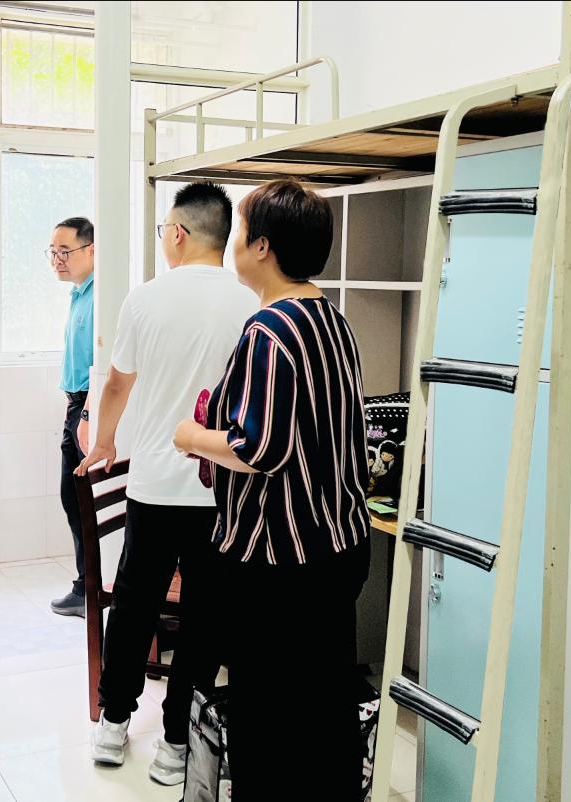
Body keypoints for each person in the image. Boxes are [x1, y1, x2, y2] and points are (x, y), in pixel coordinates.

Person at [174, 179, 372, 800]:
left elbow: (258, 449)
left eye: (240, 233)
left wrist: (191, 435)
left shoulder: (268, 329)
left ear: (262, 246)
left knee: (266, 714)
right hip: (339, 545)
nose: (234, 244)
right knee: (323, 706)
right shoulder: (332, 319)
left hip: (278, 561)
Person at [77, 182, 257, 785]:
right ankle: (178, 740)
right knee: (206, 616)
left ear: (177, 233)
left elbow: (116, 384)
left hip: (154, 485)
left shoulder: (145, 299)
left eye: (163, 231)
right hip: (221, 488)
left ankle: (113, 723)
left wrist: (104, 441)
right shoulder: (252, 302)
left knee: (134, 607)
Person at [47, 216, 95, 617]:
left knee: (82, 500)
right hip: (76, 406)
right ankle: (87, 585)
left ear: (91, 250)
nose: (57, 260)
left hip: (88, 407)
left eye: (65, 251)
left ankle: (90, 589)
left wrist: (88, 414)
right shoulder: (79, 295)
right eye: (53, 252)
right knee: (73, 499)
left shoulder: (101, 297)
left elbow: (106, 365)